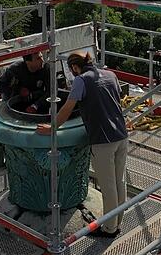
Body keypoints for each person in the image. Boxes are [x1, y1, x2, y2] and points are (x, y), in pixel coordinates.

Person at [36, 53, 128, 238]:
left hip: (103, 140)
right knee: (120, 182)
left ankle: (109, 229)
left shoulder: (81, 80)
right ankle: (118, 222)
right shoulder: (110, 75)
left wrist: (52, 128)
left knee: (108, 187)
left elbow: (68, 108)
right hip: (121, 134)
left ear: (74, 68)